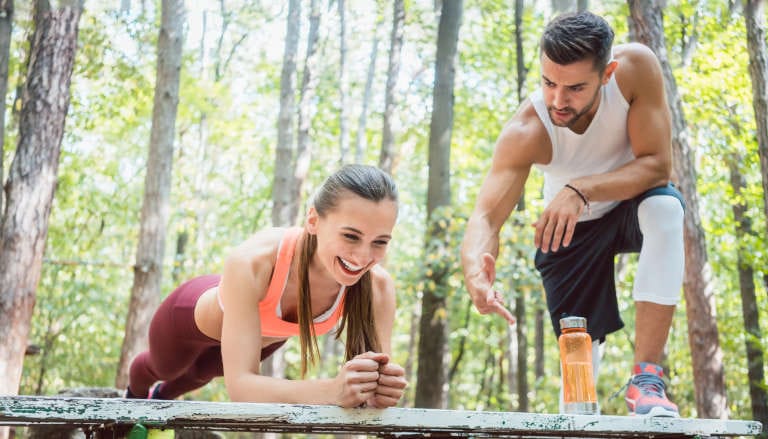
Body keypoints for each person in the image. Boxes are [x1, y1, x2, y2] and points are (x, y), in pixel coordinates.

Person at [460, 11, 684, 417]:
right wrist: (475, 272)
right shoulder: (527, 130)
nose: (558, 101)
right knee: (577, 398)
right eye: (549, 83)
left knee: (666, 208)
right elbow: (485, 218)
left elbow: (657, 166)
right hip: (569, 232)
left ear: (607, 73)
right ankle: (578, 414)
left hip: (631, 202)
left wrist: (581, 188)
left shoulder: (636, 69)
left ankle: (647, 380)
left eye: (575, 87)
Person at [126, 164, 407, 408]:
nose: (363, 256)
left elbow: (377, 384)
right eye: (351, 236)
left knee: (199, 374)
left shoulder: (378, 287)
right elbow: (241, 389)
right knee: (164, 367)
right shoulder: (252, 261)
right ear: (313, 220)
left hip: (262, 336)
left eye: (380, 241)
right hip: (188, 319)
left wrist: (379, 391)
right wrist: (332, 391)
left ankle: (160, 399)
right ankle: (132, 400)